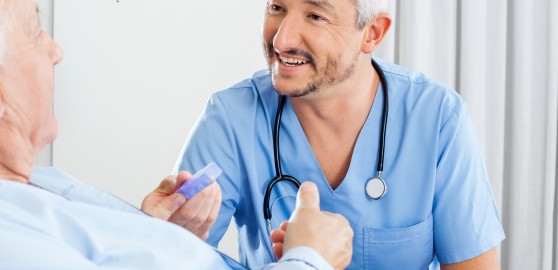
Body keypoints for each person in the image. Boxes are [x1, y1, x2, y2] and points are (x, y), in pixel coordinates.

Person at [0, 0, 354, 269]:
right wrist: (312, 259)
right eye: (33, 29)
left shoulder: (8, 187)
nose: (55, 50)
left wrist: (158, 233)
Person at [175, 0, 505, 269]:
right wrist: (157, 231)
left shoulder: (437, 118)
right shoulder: (230, 118)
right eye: (276, 7)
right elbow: (172, 252)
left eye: (315, 15)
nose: (282, 40)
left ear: (372, 33)